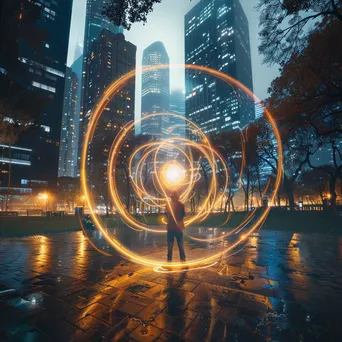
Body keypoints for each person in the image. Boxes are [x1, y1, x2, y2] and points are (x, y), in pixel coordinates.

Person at [165, 191, 186, 262]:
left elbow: (166, 215)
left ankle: (169, 259)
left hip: (171, 228)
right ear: (177, 197)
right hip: (178, 228)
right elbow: (183, 215)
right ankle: (182, 259)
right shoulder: (181, 205)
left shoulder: (168, 205)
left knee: (170, 245)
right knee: (180, 245)